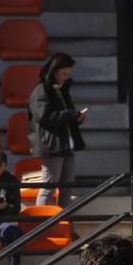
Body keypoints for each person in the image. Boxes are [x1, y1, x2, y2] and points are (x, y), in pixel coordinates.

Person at [28, 53, 87, 208]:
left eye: (68, 74)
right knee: (48, 188)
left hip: (66, 143)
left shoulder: (62, 89)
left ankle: (65, 226)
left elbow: (62, 116)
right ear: (53, 71)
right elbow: (44, 117)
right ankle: (39, 228)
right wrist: (71, 114)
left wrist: (76, 118)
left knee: (66, 189)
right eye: (63, 74)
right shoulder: (41, 90)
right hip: (52, 145)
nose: (66, 77)